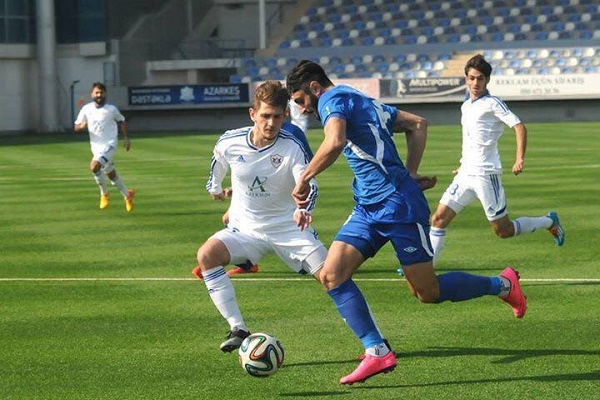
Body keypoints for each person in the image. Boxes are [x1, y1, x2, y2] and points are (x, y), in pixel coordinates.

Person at [286, 60, 527, 385]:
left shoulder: (331, 99)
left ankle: (503, 285)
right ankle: (377, 350)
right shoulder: (361, 99)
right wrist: (410, 172)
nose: (303, 108)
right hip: (368, 206)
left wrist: (304, 178)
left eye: (301, 100)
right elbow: (417, 124)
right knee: (332, 275)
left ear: (315, 88)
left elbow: (335, 141)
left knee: (427, 292)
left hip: (397, 205)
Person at [429, 55, 565, 266]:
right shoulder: (466, 106)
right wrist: (463, 163)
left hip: (486, 174)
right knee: (438, 219)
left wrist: (519, 158)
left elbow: (519, 127)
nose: (475, 83)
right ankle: (425, 267)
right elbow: (471, 138)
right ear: (466, 79)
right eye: (472, 78)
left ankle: (548, 221)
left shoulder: (493, 103)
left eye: (480, 78)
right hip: (465, 175)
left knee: (503, 230)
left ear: (487, 80)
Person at [191, 120, 313, 279]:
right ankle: (245, 263)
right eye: (266, 115)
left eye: (276, 115)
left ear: (285, 113)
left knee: (314, 268)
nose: (271, 121)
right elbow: (253, 169)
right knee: (229, 219)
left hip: (283, 203)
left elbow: (309, 166)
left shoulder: (292, 134)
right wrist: (233, 189)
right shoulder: (249, 135)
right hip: (256, 197)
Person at [74, 82, 134, 212]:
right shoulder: (86, 109)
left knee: (94, 166)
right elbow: (76, 126)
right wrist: (81, 126)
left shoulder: (111, 109)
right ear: (92, 94)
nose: (99, 95)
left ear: (105, 94)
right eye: (96, 92)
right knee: (111, 174)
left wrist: (126, 138)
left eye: (101, 92)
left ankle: (104, 194)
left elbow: (122, 121)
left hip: (110, 145)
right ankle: (127, 195)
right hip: (96, 147)